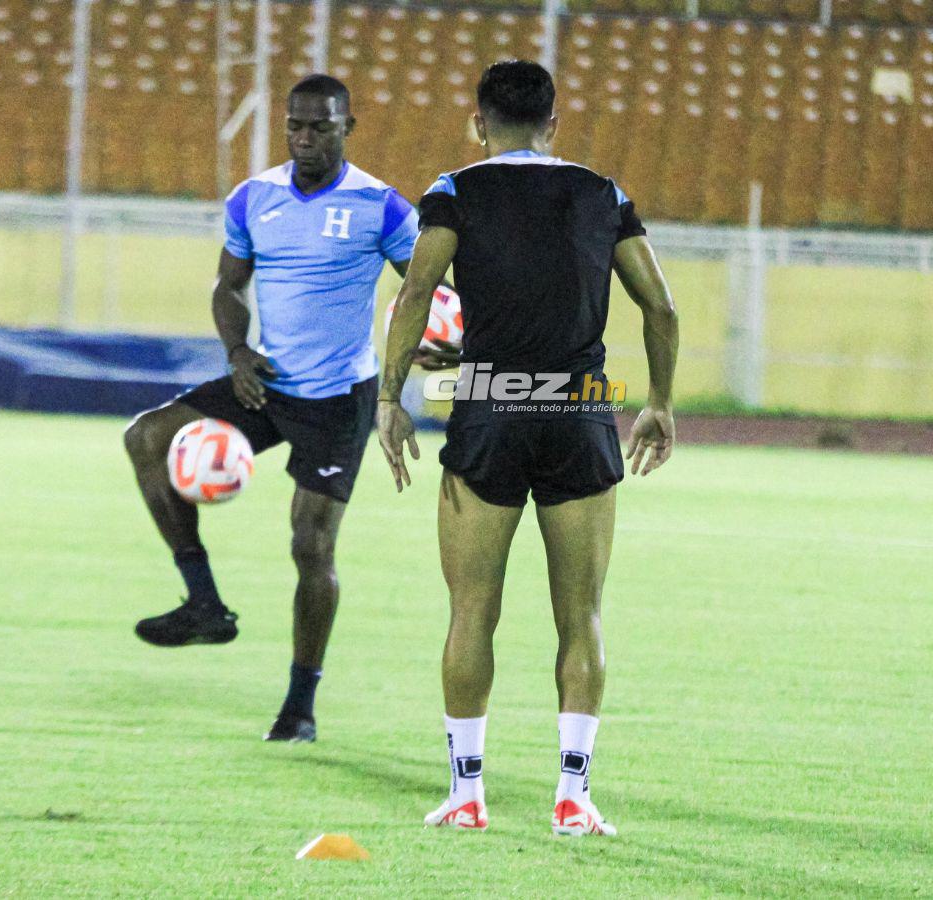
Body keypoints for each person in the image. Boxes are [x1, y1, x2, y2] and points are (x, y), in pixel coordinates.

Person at [378, 60, 679, 835]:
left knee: (472, 611)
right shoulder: (602, 194)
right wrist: (659, 404)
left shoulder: (454, 190)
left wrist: (389, 397)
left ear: (479, 124)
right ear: (554, 124)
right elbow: (661, 307)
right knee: (581, 617)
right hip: (580, 413)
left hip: (488, 409)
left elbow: (415, 292)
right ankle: (574, 798)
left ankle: (466, 796)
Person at [124, 74, 450, 743]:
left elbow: (424, 285)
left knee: (311, 545)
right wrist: (238, 352)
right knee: (148, 436)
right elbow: (228, 284)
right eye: (296, 125)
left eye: (321, 127)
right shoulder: (254, 198)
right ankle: (204, 602)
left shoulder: (379, 206)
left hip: (338, 397)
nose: (306, 138)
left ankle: (300, 704)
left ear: (347, 127)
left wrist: (431, 345)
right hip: (265, 380)